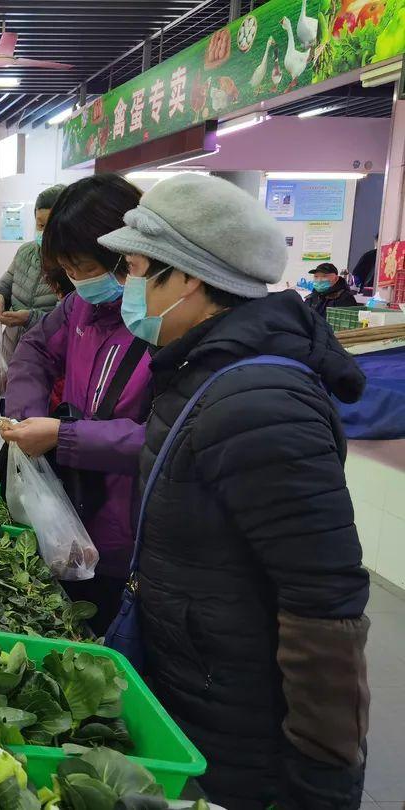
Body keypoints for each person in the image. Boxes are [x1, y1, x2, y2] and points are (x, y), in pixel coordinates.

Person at [98, 172, 369, 809]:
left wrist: (321, 784)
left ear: (187, 278)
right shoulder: (200, 372)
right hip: (195, 688)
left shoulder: (260, 402)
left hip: (240, 722)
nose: (125, 288)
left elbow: (325, 605)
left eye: (137, 269)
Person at [0, 175, 151, 634]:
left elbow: (166, 437)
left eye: (86, 266)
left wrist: (63, 436)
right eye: (69, 269)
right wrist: (27, 415)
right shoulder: (81, 309)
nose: (80, 281)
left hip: (131, 523)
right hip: (76, 505)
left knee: (110, 626)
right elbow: (35, 350)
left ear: (124, 256)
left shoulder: (158, 323)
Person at [0, 185, 66, 361]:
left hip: (47, 358)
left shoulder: (71, 263)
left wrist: (29, 318)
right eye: (40, 225)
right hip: (13, 353)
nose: (45, 232)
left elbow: (67, 319)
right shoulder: (26, 253)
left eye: (52, 226)